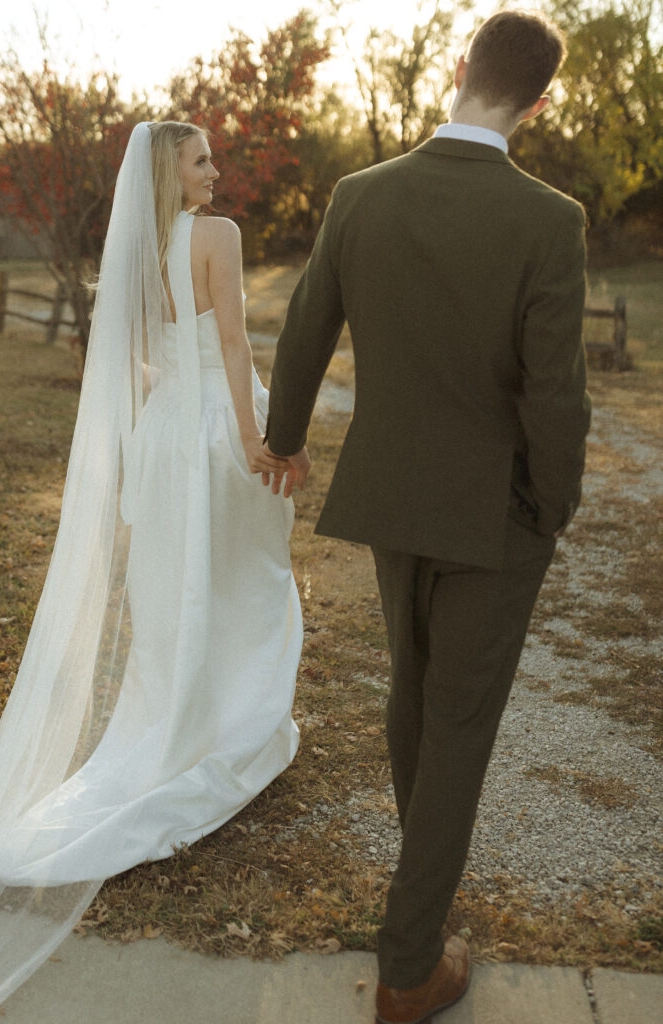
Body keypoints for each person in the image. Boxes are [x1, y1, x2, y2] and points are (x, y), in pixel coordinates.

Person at [0, 121, 305, 1022]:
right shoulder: (217, 238)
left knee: (180, 590)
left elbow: (135, 366)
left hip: (166, 435)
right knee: (248, 582)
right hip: (215, 427)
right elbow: (232, 350)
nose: (217, 172)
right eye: (202, 159)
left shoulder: (136, 254)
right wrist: (258, 439)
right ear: (170, 174)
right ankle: (233, 724)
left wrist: (153, 439)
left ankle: (184, 713)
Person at [264, 11, 590, 1023]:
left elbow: (304, 327)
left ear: (458, 70)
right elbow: (553, 394)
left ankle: (423, 881)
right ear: (536, 103)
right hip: (495, 516)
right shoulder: (549, 220)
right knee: (451, 724)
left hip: (394, 500)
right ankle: (409, 966)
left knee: (417, 700)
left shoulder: (359, 195)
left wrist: (281, 436)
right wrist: (554, 505)